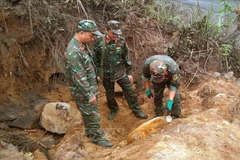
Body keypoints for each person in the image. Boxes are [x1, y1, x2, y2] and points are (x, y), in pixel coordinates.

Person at [64, 19, 113, 147]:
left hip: (89, 87)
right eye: (91, 35)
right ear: (81, 33)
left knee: (90, 113)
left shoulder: (81, 45)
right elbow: (78, 76)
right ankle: (96, 137)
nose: (93, 38)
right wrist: (89, 94)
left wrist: (95, 76)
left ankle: (91, 131)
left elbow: (88, 63)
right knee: (92, 114)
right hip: (83, 91)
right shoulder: (73, 52)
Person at [93, 20, 148, 120]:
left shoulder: (121, 41)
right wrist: (97, 73)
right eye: (113, 33)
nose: (115, 36)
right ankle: (114, 109)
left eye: (117, 33)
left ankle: (136, 110)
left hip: (120, 73)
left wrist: (129, 73)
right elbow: (95, 59)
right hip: (106, 75)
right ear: (106, 30)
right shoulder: (98, 41)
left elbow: (125, 58)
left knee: (129, 91)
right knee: (110, 95)